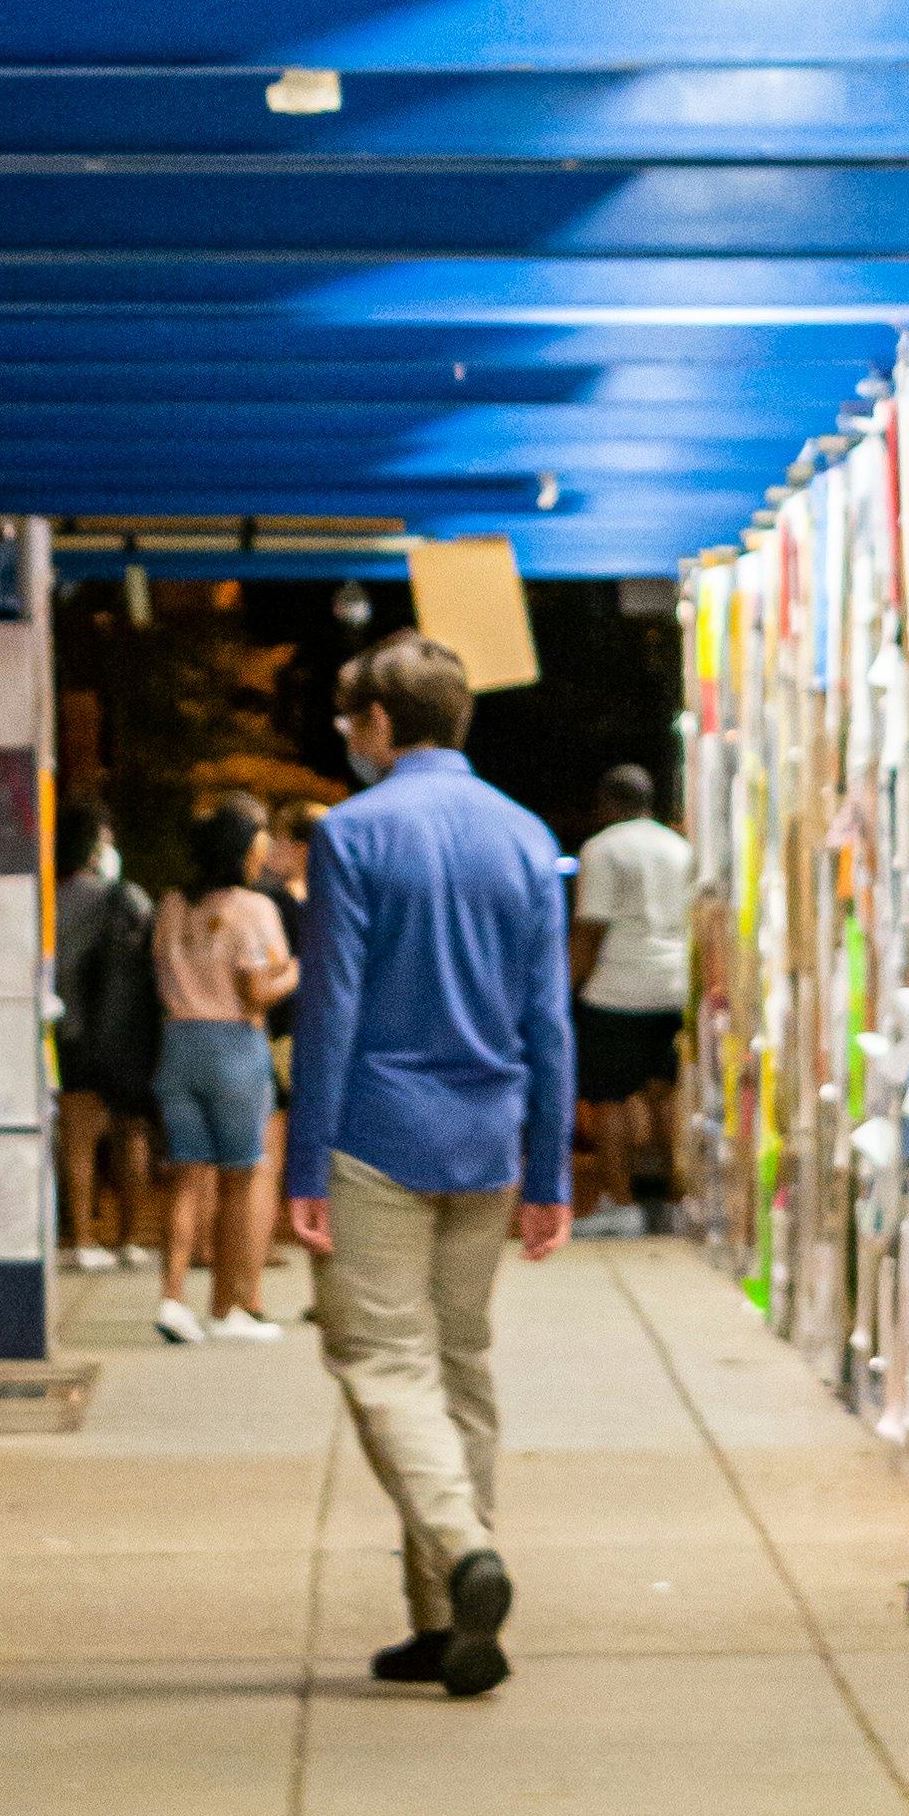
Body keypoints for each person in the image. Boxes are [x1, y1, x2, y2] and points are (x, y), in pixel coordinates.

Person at [280, 634, 575, 1699]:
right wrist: (549, 1169)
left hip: (375, 1134)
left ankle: (462, 1553)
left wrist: (302, 1157)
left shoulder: (351, 834)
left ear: (376, 725)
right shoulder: (527, 835)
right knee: (461, 1365)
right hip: (487, 1135)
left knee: (381, 1361)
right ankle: (448, 1624)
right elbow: (548, 1017)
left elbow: (331, 1009)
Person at [147, 793, 298, 1342]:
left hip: (177, 1044)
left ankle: (171, 1298)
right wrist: (296, 971)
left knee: (187, 1177)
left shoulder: (171, 905)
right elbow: (256, 992)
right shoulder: (253, 908)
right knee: (239, 1177)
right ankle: (228, 1306)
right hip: (234, 1046)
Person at [569, 762, 695, 1236]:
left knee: (611, 1098)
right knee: (666, 1096)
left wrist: (568, 985)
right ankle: (674, 1202)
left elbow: (590, 927)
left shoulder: (603, 849)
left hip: (617, 992)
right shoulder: (680, 847)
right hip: (674, 986)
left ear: (607, 803)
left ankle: (621, 1204)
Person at [51, 800, 160, 1266]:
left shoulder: (47, 898)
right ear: (96, 844)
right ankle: (130, 1238)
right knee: (130, 1133)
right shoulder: (125, 897)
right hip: (122, 1033)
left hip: (70, 1029)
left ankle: (83, 1240)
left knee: (78, 1137)